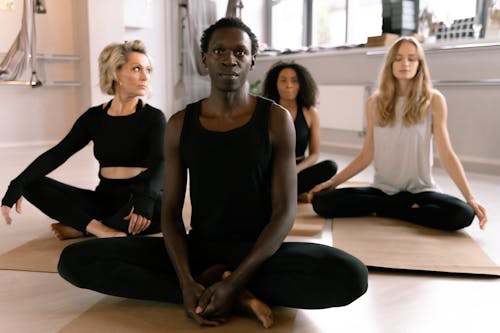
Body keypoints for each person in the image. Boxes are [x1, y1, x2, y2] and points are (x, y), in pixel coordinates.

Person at [57, 18, 368, 328]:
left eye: (239, 52)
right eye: (219, 51)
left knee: (350, 276)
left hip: (259, 252)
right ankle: (223, 294)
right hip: (200, 250)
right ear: (204, 59)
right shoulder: (180, 124)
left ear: (252, 60)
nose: (229, 59)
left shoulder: (275, 119)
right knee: (76, 261)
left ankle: (224, 287)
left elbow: (284, 212)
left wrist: (236, 280)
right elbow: (171, 216)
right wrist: (184, 280)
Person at [309, 36, 488, 232]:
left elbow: (447, 155)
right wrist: (332, 183)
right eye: (398, 58)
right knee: (322, 202)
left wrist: (470, 197)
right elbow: (366, 155)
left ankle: (392, 211)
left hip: (420, 191)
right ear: (390, 64)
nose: (405, 63)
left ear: (419, 64)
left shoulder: (434, 100)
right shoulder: (374, 103)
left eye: (412, 58)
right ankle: (401, 209)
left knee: (463, 213)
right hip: (383, 191)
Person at [1, 40, 166, 239]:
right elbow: (58, 154)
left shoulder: (153, 117)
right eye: (137, 69)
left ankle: (82, 227)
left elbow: (161, 162)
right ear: (115, 73)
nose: (145, 76)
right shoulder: (93, 117)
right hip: (104, 199)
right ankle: (99, 228)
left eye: (148, 70)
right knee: (29, 183)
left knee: (159, 205)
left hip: (139, 200)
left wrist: (147, 199)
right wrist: (17, 183)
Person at [262, 61, 337, 201]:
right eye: (283, 80)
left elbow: (314, 154)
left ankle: (283, 194)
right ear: (275, 84)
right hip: (273, 170)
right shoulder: (267, 111)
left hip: (298, 169)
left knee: (330, 166)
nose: (288, 85)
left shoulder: (311, 112)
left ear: (301, 84)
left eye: (294, 81)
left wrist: (296, 170)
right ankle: (291, 194)